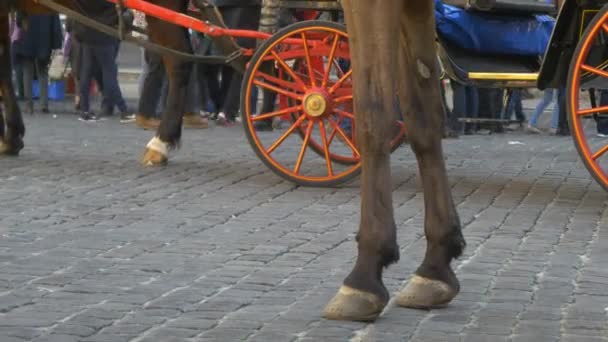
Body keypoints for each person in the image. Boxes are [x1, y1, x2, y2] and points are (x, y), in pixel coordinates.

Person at [71, 3, 133, 122]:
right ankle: (123, 110)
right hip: (104, 34)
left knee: (86, 74)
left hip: (87, 33)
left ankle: (85, 111)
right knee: (109, 74)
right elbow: (120, 7)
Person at [13, 12, 63, 114]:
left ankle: (29, 105)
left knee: (27, 72)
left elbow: (19, 19)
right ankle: (44, 105)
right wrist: (56, 43)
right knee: (43, 72)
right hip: (44, 39)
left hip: (27, 37)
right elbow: (55, 23)